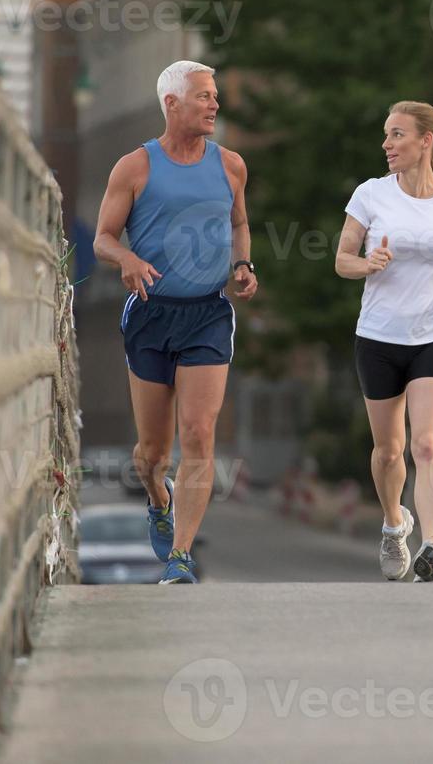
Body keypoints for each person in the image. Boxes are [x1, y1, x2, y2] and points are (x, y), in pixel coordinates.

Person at [92, 60, 257, 584]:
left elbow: (239, 222)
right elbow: (102, 238)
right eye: (204, 96)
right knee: (151, 453)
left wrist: (242, 264)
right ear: (172, 104)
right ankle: (157, 497)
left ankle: (180, 556)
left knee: (199, 432)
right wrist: (129, 260)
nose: (214, 105)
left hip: (208, 313)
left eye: (215, 97)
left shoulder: (230, 165)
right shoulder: (134, 167)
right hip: (149, 314)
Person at [336, 101, 433, 582]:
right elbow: (342, 258)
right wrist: (368, 265)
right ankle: (392, 524)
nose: (386, 144)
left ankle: (431, 545)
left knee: (426, 443)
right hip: (379, 335)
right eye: (386, 135)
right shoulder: (370, 195)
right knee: (388, 452)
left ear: (426, 141)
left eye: (397, 135)